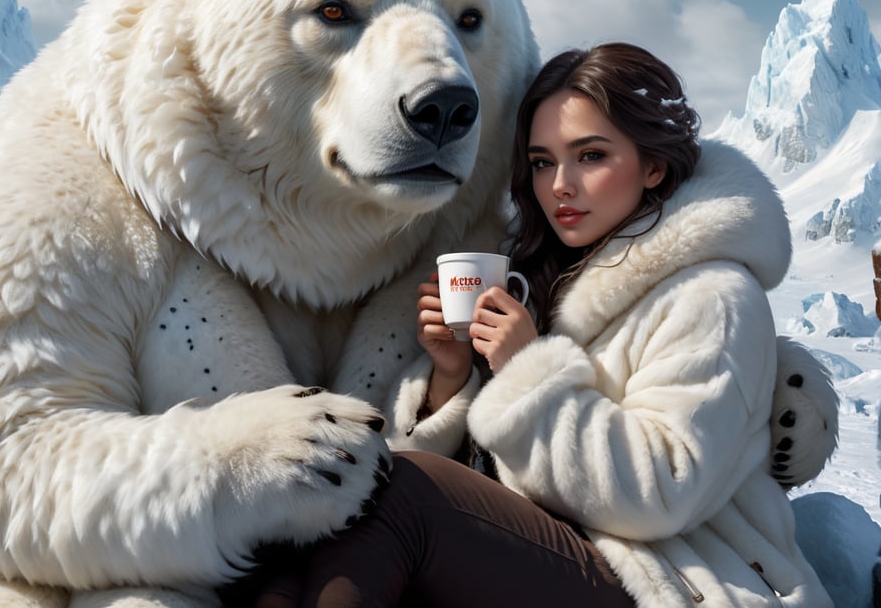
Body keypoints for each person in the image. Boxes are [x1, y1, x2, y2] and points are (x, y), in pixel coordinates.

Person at [240, 42, 832, 607]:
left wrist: (525, 370)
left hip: (669, 577)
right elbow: (498, 471)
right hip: (564, 553)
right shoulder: (552, 275)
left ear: (653, 165)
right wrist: (451, 377)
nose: (560, 186)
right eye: (543, 162)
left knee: (404, 494)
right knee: (334, 503)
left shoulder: (713, 296)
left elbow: (662, 491)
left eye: (591, 156)